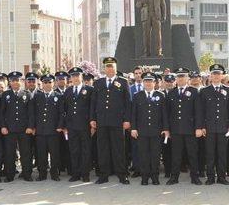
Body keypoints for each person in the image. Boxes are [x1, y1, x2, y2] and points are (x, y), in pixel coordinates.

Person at [90, 57, 131, 185]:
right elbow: (93, 103)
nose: (110, 69)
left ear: (115, 68)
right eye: (107, 66)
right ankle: (104, 175)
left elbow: (127, 103)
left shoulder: (123, 82)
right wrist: (92, 118)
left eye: (112, 66)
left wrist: (127, 120)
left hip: (117, 122)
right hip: (102, 121)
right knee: (103, 149)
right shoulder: (98, 83)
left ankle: (122, 174)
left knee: (118, 149)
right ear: (104, 69)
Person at [196, 64, 229, 185]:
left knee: (222, 153)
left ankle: (222, 177)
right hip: (209, 128)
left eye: (218, 74)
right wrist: (202, 127)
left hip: (223, 128)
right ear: (210, 76)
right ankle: (210, 177)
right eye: (214, 74)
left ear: (222, 76)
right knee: (210, 153)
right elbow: (200, 111)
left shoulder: (228, 90)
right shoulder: (204, 91)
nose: (216, 76)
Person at [130, 72, 169, 185]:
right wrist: (133, 128)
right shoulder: (138, 96)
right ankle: (145, 177)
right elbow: (134, 114)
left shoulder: (160, 95)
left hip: (156, 131)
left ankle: (155, 176)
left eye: (150, 81)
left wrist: (165, 128)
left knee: (155, 155)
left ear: (154, 83)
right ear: (143, 83)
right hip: (142, 131)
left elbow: (164, 114)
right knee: (143, 154)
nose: (148, 83)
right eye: (146, 81)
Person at [163, 68, 200, 185]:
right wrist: (167, 129)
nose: (181, 78)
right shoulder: (171, 93)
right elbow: (167, 113)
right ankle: (174, 177)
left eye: (183, 76)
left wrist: (198, 127)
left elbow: (198, 112)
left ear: (187, 78)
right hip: (176, 129)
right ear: (176, 79)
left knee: (192, 154)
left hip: (190, 129)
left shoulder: (194, 92)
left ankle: (195, 177)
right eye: (179, 76)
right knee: (176, 155)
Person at [0, 71, 35, 182]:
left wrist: (30, 126)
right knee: (9, 153)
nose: (15, 82)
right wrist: (3, 126)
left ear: (21, 81)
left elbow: (31, 113)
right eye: (13, 80)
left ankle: (27, 174)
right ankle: (9, 175)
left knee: (26, 153)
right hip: (9, 129)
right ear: (10, 82)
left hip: (24, 129)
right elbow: (2, 113)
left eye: (17, 80)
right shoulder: (6, 95)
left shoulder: (27, 94)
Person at [63, 67, 94, 182]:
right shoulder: (68, 91)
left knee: (86, 150)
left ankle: (85, 174)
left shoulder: (89, 90)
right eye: (73, 76)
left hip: (85, 126)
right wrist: (65, 126)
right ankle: (76, 173)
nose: (75, 78)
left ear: (81, 77)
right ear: (71, 78)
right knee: (74, 150)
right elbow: (64, 110)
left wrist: (92, 124)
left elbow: (92, 108)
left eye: (77, 75)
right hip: (72, 126)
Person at [32, 74, 64, 181]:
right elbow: (33, 114)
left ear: (53, 83)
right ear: (42, 84)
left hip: (54, 130)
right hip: (40, 131)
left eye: (49, 82)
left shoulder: (58, 96)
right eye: (45, 82)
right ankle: (42, 174)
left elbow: (61, 113)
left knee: (55, 154)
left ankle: (55, 174)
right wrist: (33, 127)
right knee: (41, 154)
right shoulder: (37, 96)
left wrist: (60, 126)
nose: (47, 84)